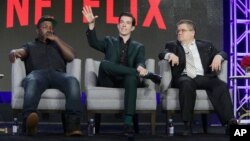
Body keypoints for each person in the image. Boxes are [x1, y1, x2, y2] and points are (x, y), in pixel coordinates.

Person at [82, 6, 161, 136]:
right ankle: (150, 76)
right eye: (122, 22)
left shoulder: (138, 46)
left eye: (128, 23)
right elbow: (94, 43)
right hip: (108, 80)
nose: (124, 25)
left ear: (133, 28)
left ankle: (127, 124)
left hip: (126, 81)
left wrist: (141, 67)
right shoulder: (109, 41)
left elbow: (140, 61)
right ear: (118, 25)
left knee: (131, 78)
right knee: (104, 64)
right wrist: (91, 26)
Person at [158, 19, 237, 136]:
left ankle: (229, 123)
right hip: (183, 77)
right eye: (178, 31)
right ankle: (187, 124)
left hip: (203, 76)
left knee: (220, 85)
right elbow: (162, 54)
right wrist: (169, 54)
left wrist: (219, 57)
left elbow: (222, 52)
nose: (179, 33)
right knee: (186, 84)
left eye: (183, 30)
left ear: (192, 33)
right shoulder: (172, 45)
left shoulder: (206, 45)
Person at [8, 15, 83, 136]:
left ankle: (72, 126)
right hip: (38, 75)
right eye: (44, 27)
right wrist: (14, 52)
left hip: (58, 74)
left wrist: (57, 39)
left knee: (72, 80)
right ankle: (29, 122)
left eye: (50, 27)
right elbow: (21, 52)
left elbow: (71, 56)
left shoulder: (58, 45)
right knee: (32, 80)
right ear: (37, 30)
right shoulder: (30, 45)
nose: (48, 29)